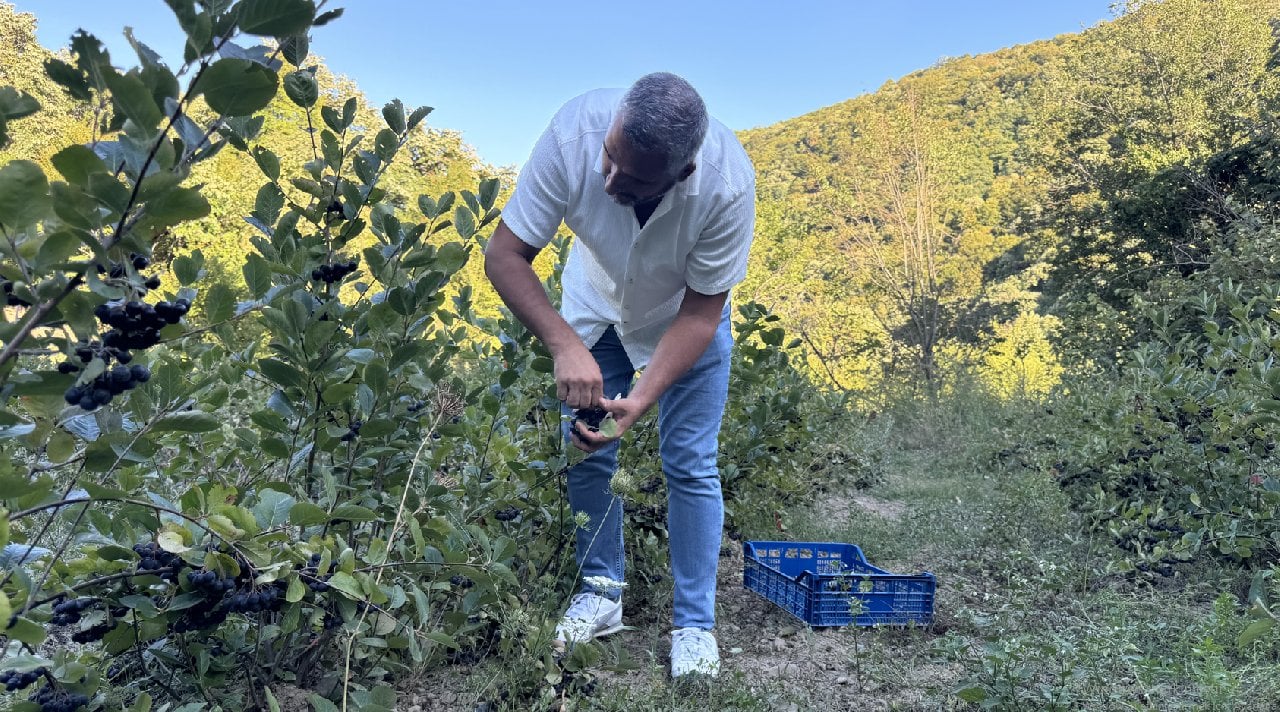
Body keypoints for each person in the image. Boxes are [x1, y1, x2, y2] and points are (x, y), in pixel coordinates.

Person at [483, 71, 755, 678]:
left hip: (684, 316)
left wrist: (645, 395)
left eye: (632, 180)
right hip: (594, 307)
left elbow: (703, 311)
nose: (609, 181)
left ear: (680, 174)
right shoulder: (572, 133)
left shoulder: (727, 188)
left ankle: (693, 626)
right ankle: (601, 593)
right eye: (609, 159)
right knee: (584, 449)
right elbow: (504, 255)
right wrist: (563, 344)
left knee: (690, 459)